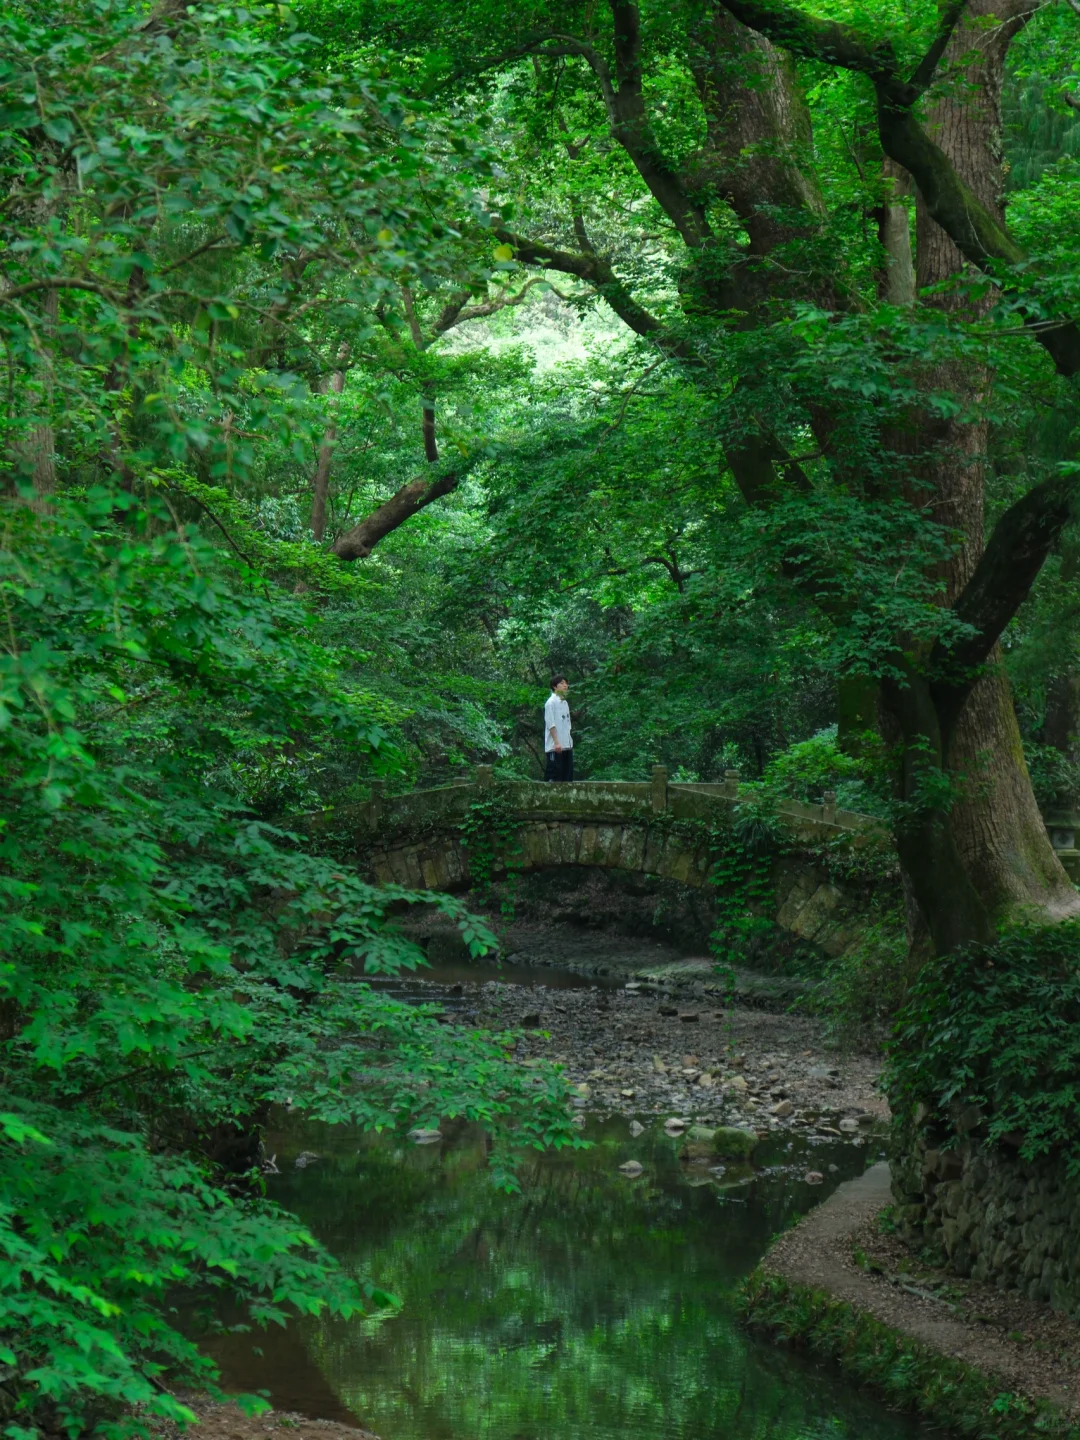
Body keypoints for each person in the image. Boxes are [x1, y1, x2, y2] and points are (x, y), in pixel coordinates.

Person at [543, 675, 574, 781]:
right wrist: (556, 743)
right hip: (555, 747)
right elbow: (551, 724)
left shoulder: (565, 703)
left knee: (567, 777)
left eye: (566, 683)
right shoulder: (550, 703)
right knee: (555, 777)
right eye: (562, 683)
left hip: (567, 745)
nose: (565, 685)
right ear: (554, 686)